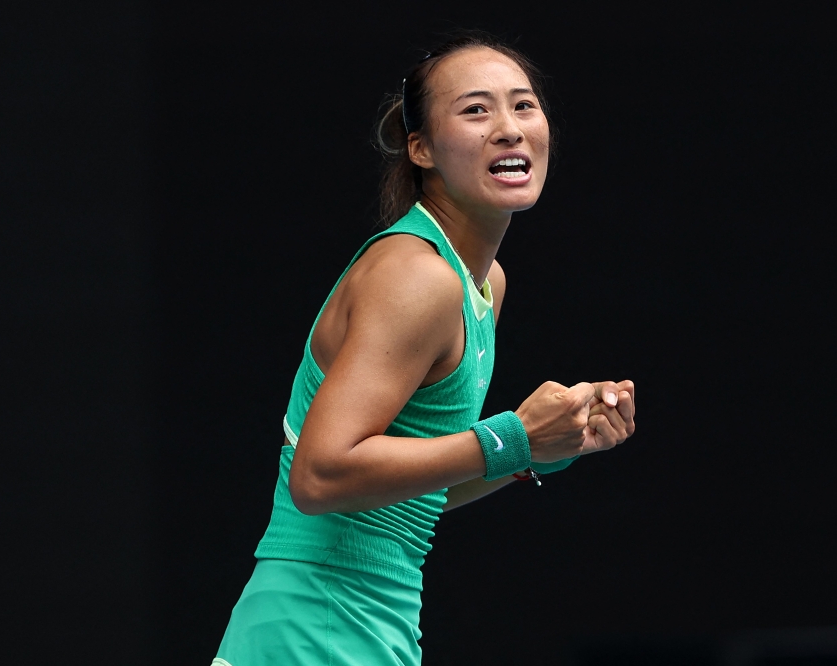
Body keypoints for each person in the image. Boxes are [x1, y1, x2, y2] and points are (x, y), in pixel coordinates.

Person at [212, 32, 636, 666]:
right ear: (421, 148)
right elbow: (320, 475)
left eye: (523, 105)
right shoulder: (418, 275)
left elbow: (418, 490)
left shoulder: (483, 282)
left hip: (365, 620)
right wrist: (511, 436)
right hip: (317, 620)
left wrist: (538, 453)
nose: (508, 128)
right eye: (475, 110)